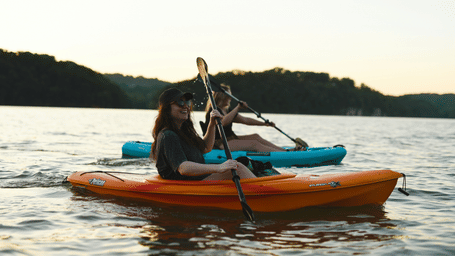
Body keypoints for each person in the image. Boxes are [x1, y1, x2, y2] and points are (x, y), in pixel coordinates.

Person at [150, 88, 256, 181]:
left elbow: (205, 147)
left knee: (244, 163)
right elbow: (183, 168)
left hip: (197, 178)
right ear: (166, 108)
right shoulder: (167, 135)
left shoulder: (184, 132)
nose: (186, 106)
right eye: (180, 102)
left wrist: (212, 124)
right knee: (238, 168)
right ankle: (263, 191)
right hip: (186, 182)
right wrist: (219, 167)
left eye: (187, 102)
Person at [204, 84, 305, 152]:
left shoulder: (228, 110)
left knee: (256, 136)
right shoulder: (214, 111)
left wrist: (265, 124)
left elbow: (245, 120)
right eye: (229, 96)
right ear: (222, 96)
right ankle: (284, 154)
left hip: (230, 138)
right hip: (219, 144)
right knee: (254, 144)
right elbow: (223, 122)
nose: (231, 98)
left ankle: (286, 151)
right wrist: (238, 107)